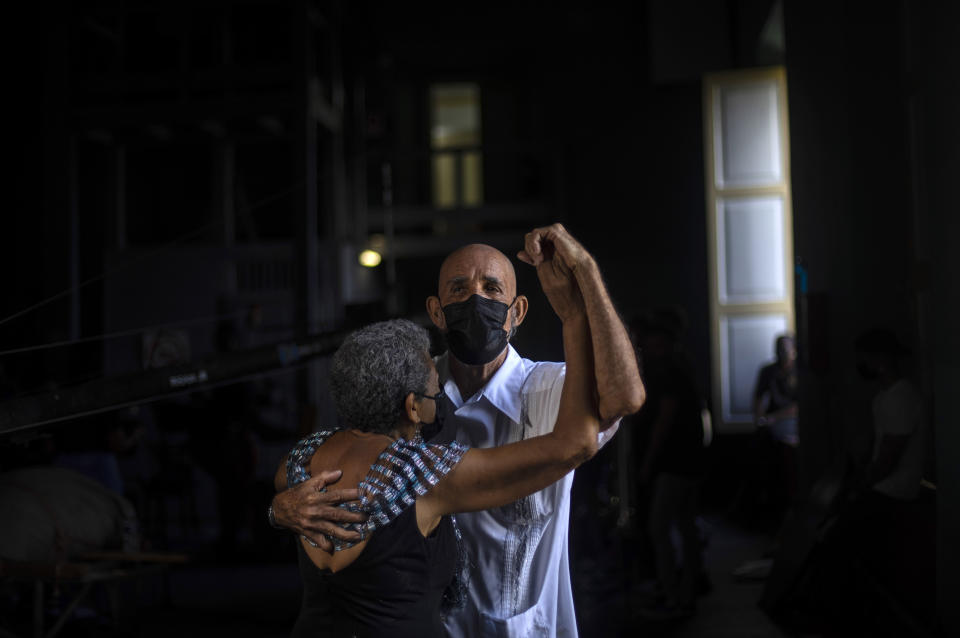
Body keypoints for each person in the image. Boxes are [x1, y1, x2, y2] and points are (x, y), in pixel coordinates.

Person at [270, 223, 646, 637]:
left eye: (491, 288)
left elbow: (625, 398)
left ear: (517, 311)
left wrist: (587, 278)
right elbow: (347, 458)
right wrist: (281, 509)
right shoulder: (410, 389)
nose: (476, 299)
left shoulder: (551, 389)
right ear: (436, 311)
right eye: (460, 289)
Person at [282, 315, 600, 636]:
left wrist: (275, 511)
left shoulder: (302, 461)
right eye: (436, 389)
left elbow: (282, 498)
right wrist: (572, 319)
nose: (442, 397)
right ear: (413, 408)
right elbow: (575, 445)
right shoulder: (425, 477)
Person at [630, 307, 708, 620]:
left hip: (674, 464)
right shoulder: (679, 368)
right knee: (685, 529)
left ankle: (675, 595)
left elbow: (664, 421)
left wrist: (647, 463)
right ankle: (685, 591)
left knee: (660, 529)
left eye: (656, 345)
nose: (651, 350)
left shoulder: (670, 373)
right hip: (686, 462)